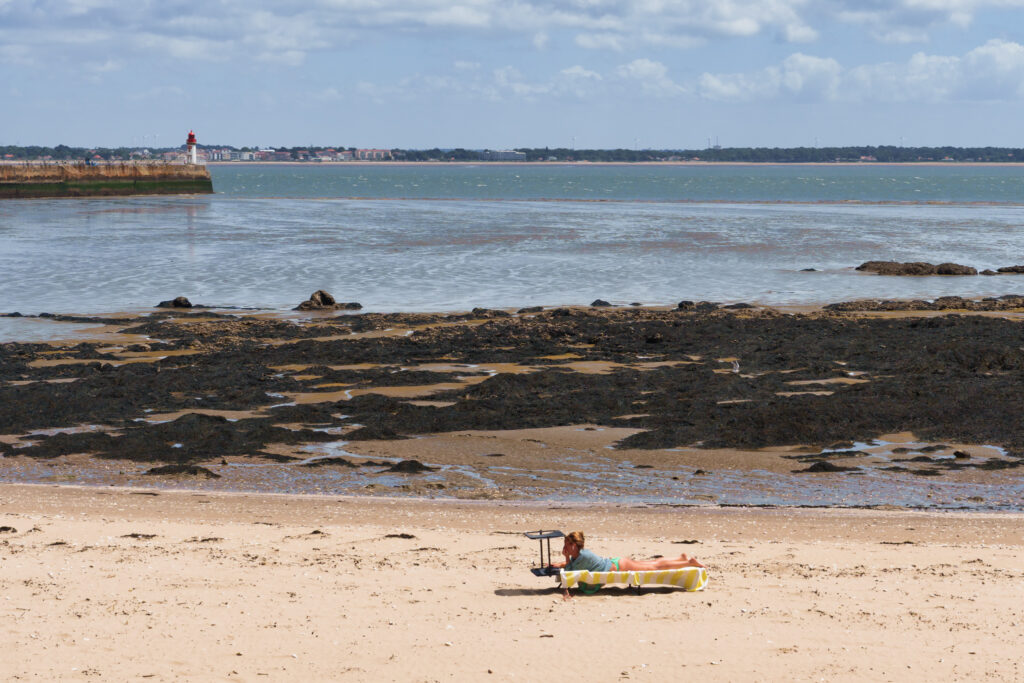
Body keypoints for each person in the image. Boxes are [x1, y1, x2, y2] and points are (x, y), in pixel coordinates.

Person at [549, 530, 705, 598]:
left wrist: (565, 560)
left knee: (654, 567)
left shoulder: (583, 556)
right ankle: (681, 559)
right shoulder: (580, 555)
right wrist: (562, 562)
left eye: (568, 544)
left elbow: (570, 571)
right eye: (565, 543)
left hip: (620, 566)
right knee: (653, 563)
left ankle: (688, 564)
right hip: (617, 563)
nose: (565, 547)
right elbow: (574, 565)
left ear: (575, 546)